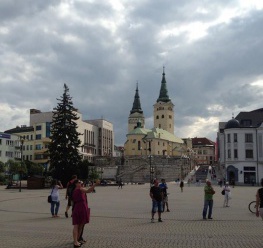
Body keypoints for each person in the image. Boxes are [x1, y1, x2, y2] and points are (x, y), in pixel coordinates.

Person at [71, 179, 100, 247]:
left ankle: (77, 240)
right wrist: (95, 184)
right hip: (79, 208)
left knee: (80, 225)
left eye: (81, 181)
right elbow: (88, 190)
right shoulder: (79, 189)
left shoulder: (78, 189)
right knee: (77, 225)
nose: (81, 182)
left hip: (81, 208)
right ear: (76, 184)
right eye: (79, 182)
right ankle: (75, 241)